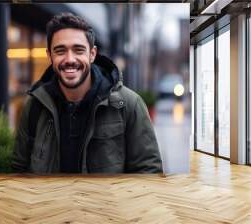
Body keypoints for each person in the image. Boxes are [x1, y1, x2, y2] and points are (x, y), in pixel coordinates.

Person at [12, 13, 163, 174]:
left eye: (78, 50)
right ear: (49, 55)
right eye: (60, 51)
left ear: (92, 54)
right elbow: (19, 170)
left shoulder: (129, 105)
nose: (70, 59)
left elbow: (149, 173)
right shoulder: (34, 106)